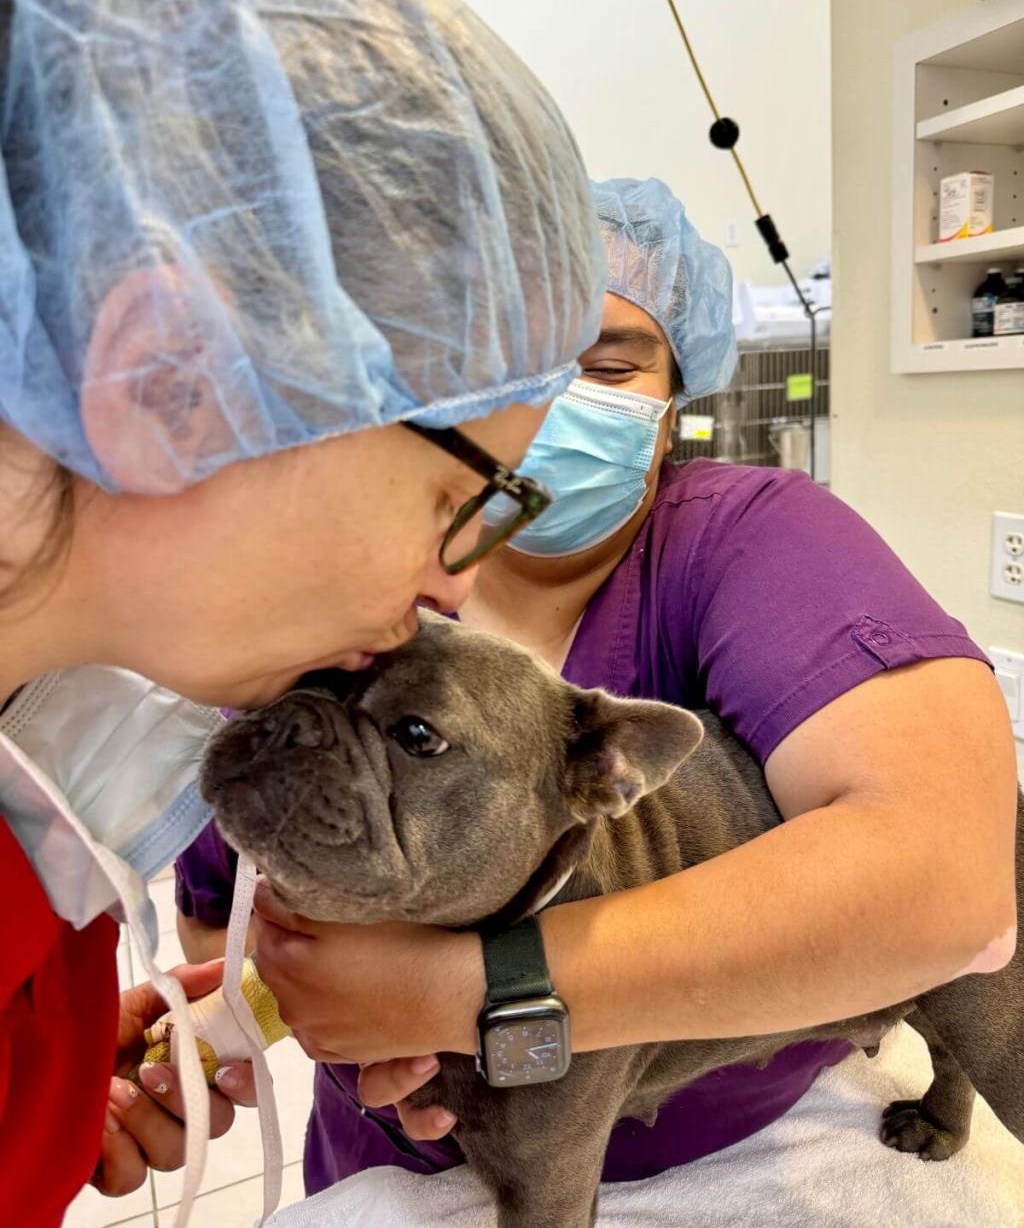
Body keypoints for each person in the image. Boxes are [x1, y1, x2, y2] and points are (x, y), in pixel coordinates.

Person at [175, 177, 1018, 1196]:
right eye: (515, 362)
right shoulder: (340, 560)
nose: (551, 404)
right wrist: (266, 1009)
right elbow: (219, 907)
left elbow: (950, 887)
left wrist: (455, 991)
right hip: (384, 1163)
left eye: (609, 363)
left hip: (740, 1154)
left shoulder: (753, 538)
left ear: (671, 405)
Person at [0, 0, 607, 1222]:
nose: (452, 587)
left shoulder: (55, 753)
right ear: (176, 377)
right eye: (457, 497)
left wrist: (39, 1086)